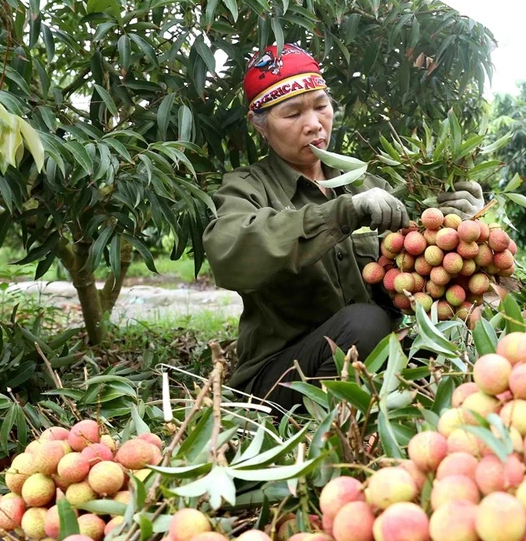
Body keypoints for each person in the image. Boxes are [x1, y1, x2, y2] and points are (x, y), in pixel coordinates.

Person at [203, 44, 484, 412]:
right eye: (292, 114)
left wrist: (456, 226)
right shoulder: (246, 188)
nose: (314, 124)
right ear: (261, 127)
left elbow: (409, 279)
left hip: (369, 356)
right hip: (279, 379)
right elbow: (231, 254)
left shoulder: (365, 185)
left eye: (321, 106)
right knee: (365, 323)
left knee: (445, 343)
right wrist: (339, 215)